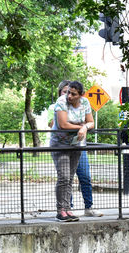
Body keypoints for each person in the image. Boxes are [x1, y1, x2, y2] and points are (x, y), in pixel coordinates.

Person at [49, 80, 102, 218]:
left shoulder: (85, 103)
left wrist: (84, 126)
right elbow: (63, 125)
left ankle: (67, 208)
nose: (69, 96)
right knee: (64, 177)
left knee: (70, 178)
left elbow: (91, 122)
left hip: (76, 144)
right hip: (60, 145)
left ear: (81, 95)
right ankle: (61, 210)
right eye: (68, 92)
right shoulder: (61, 102)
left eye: (73, 94)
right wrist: (81, 126)